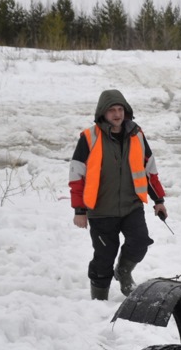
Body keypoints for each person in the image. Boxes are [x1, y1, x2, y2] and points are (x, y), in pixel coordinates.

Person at [69, 89, 168, 300]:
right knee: (104, 257)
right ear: (102, 114)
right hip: (101, 210)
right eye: (111, 110)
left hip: (131, 206)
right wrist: (79, 210)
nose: (117, 114)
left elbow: (149, 170)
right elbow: (77, 176)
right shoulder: (89, 138)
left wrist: (158, 200)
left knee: (140, 242)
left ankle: (124, 271)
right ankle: (99, 299)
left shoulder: (137, 135)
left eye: (120, 109)